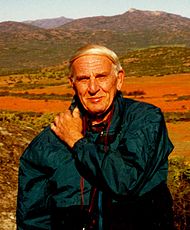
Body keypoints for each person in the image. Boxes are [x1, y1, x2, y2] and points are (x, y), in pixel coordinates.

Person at [16, 44, 175, 230]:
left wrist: (76, 140)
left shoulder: (144, 119)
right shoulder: (47, 143)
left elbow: (125, 180)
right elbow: (33, 220)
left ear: (119, 79)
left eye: (101, 77)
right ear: (72, 84)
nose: (93, 88)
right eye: (83, 79)